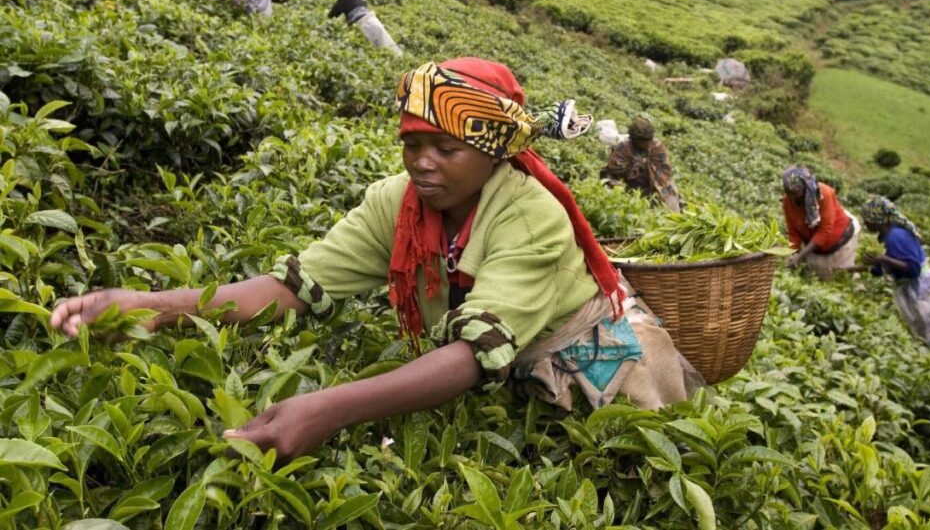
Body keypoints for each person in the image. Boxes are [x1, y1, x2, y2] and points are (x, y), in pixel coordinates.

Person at [50, 58, 703, 460]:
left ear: (494, 150)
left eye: (446, 147)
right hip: (512, 357)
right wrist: (151, 304)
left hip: (599, 360)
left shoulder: (531, 213)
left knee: (630, 465)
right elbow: (286, 288)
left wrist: (326, 407)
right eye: (412, 143)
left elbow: (472, 356)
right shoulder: (400, 203)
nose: (422, 161)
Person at [861, 197, 930, 366]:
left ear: (876, 219)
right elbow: (891, 262)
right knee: (925, 331)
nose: (865, 223)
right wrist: (876, 265)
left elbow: (912, 268)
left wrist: (882, 259)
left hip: (923, 289)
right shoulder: (889, 235)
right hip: (915, 288)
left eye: (867, 219)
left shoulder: (896, 236)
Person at [781, 167, 859, 279]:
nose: (792, 198)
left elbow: (825, 230)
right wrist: (791, 253)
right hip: (817, 245)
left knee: (841, 277)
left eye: (795, 193)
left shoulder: (824, 194)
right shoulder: (787, 201)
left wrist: (800, 256)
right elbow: (793, 231)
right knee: (819, 277)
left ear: (805, 188)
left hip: (840, 238)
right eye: (788, 192)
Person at [599, 117, 680, 211]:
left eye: (648, 141)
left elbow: (664, 170)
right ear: (634, 140)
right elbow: (612, 169)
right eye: (642, 141)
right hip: (629, 187)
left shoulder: (657, 147)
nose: (646, 144)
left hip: (656, 187)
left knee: (671, 202)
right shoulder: (623, 148)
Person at [328, 0, 403, 57]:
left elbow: (333, 14)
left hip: (363, 24)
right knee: (389, 47)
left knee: (372, 51)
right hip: (373, 20)